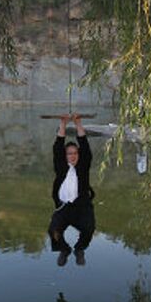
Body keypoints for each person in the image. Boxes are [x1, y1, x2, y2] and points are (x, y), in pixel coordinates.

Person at [48, 114, 95, 266]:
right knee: (54, 231)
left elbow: (85, 147)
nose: (73, 156)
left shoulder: (83, 166)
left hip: (81, 206)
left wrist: (78, 123)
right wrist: (63, 123)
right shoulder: (60, 166)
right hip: (63, 207)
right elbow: (57, 147)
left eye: (75, 153)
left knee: (89, 229)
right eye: (69, 153)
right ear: (65, 155)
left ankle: (79, 249)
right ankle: (64, 250)